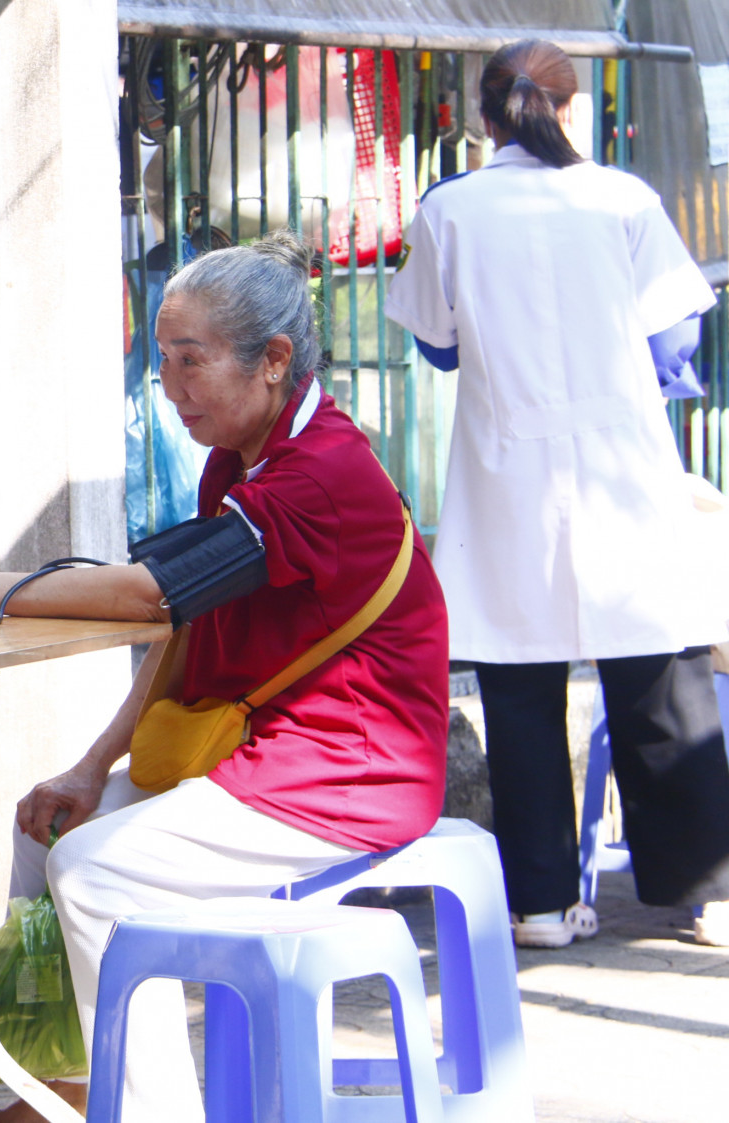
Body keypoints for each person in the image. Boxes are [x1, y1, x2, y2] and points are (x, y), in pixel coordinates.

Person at [0, 233, 450, 1123]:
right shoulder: (238, 457)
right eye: (163, 358)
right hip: (262, 747)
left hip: (348, 771)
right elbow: (185, 626)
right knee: (47, 822)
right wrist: (88, 764)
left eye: (192, 360)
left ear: (273, 361)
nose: (171, 383)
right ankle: (68, 1086)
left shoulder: (320, 475)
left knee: (96, 871)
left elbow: (150, 595)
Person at [385, 39, 729, 949]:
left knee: (522, 689)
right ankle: (707, 896)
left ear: (483, 115)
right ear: (569, 111)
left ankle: (539, 906)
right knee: (659, 670)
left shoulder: (450, 209)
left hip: (508, 474)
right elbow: (675, 340)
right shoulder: (623, 199)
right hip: (625, 466)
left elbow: (437, 343)